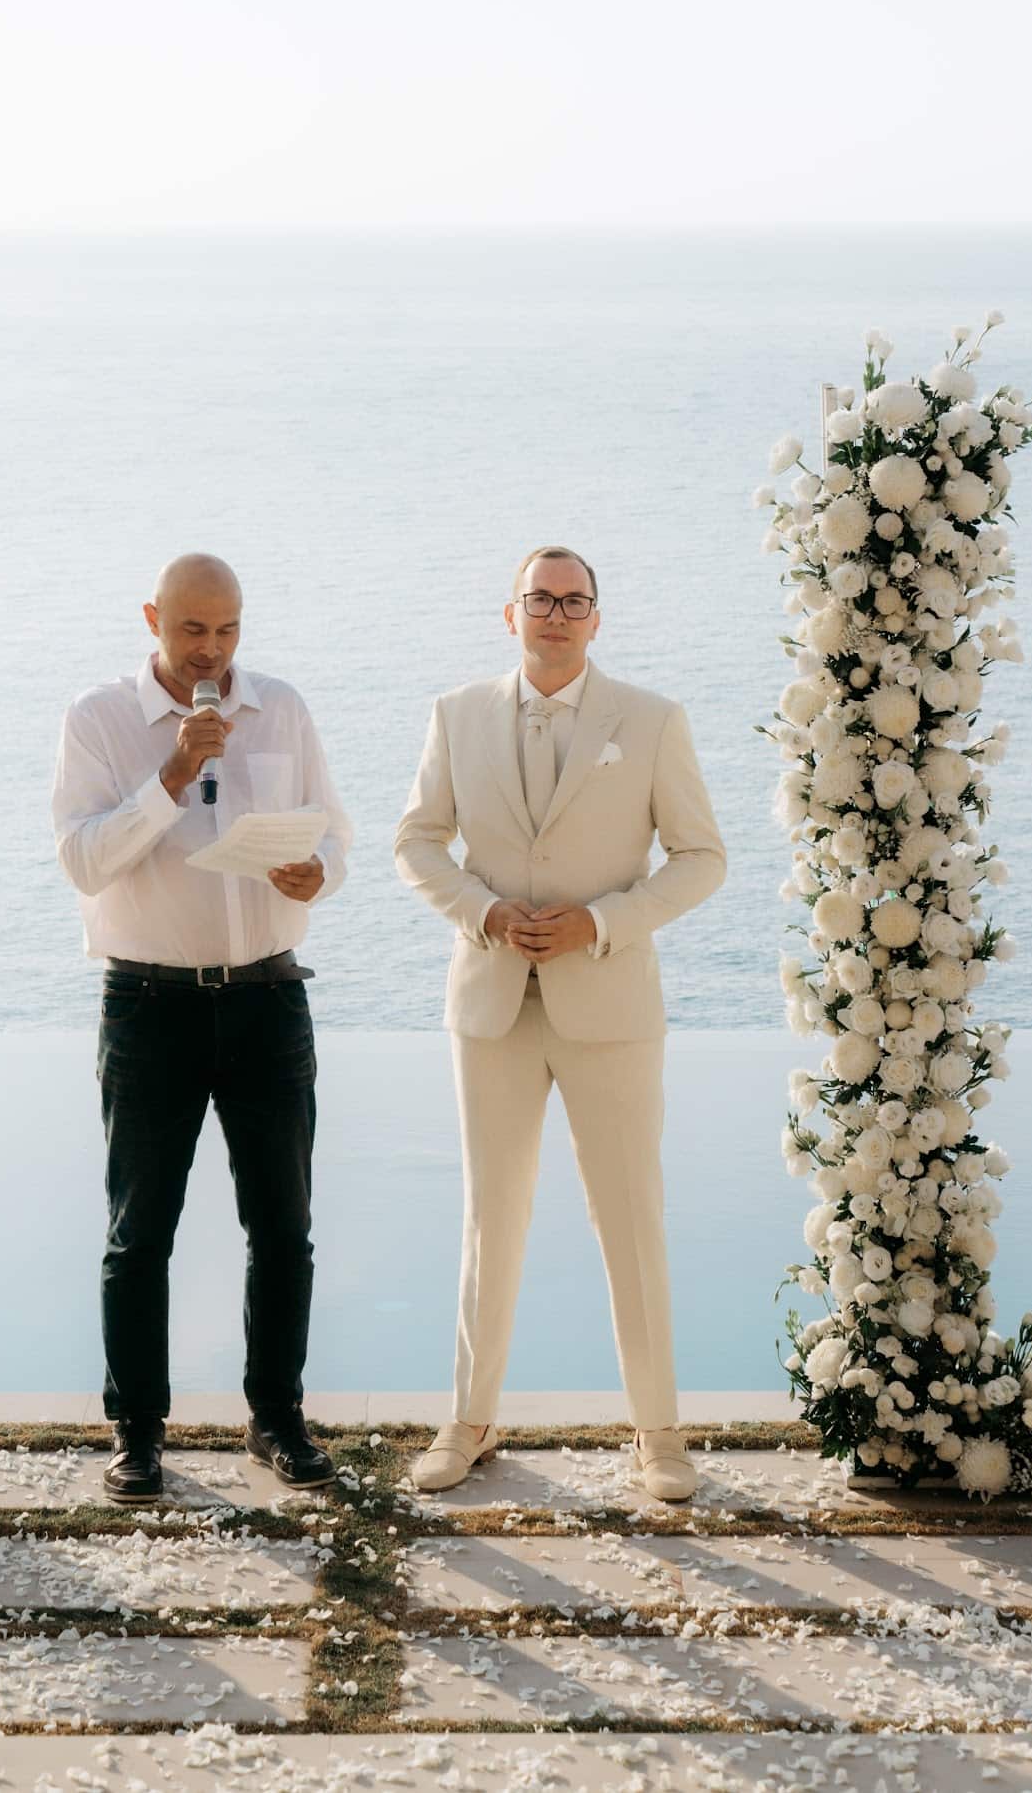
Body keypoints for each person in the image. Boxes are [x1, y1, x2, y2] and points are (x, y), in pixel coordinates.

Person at [395, 545, 726, 1502]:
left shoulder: (652, 721)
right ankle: (468, 1421)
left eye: (572, 600)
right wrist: (483, 911)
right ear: (509, 615)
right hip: (491, 1001)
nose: (554, 613)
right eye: (537, 599)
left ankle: (658, 1433)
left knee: (631, 1219)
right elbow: (417, 839)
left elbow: (700, 856)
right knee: (489, 1219)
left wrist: (604, 922)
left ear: (595, 619)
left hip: (610, 1005)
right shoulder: (456, 715)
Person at [52, 553, 351, 1503]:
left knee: (283, 1226)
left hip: (268, 996)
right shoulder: (97, 720)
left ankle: (277, 1420)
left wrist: (320, 874)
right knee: (139, 1233)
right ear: (152, 618)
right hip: (147, 1005)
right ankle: (137, 1434)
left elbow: (334, 832)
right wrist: (174, 772)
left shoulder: (284, 709)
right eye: (191, 631)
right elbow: (84, 862)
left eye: (227, 630)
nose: (211, 652)